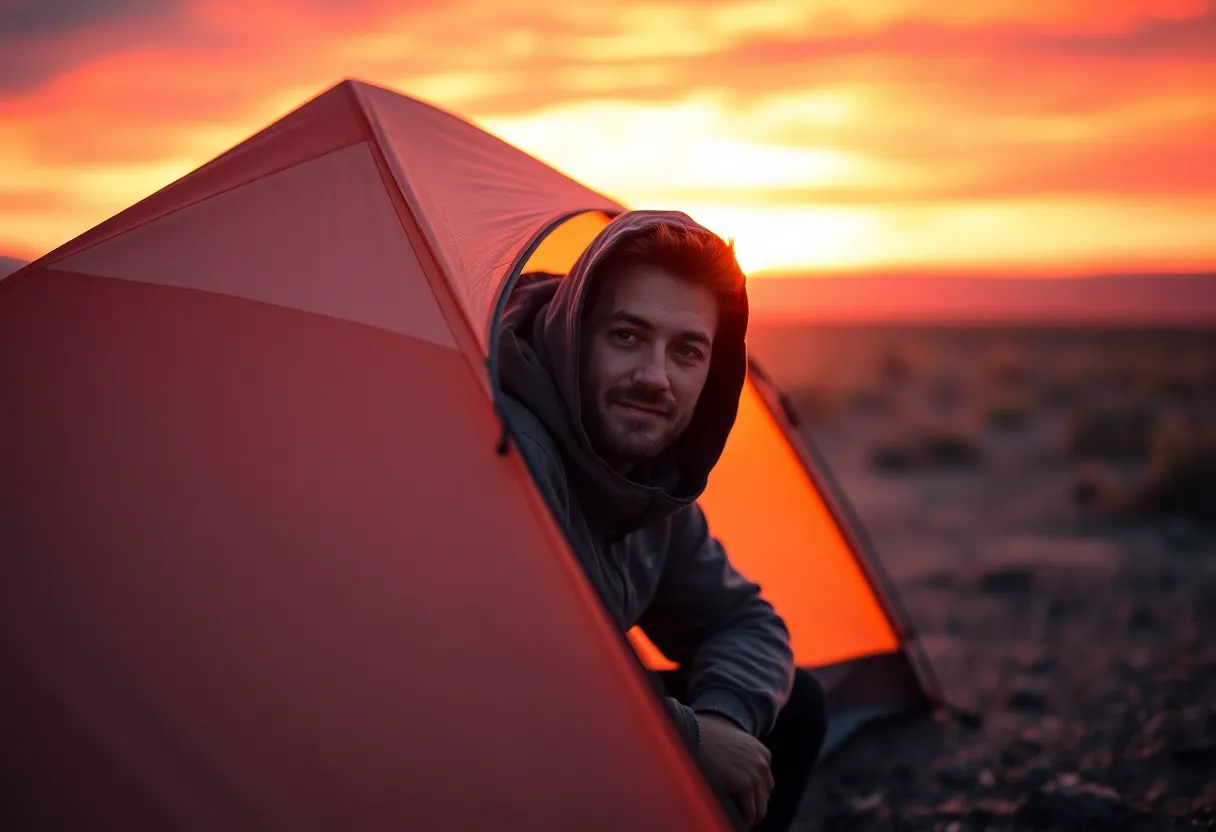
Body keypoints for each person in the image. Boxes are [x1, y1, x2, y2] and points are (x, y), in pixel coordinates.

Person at [497, 210, 828, 830]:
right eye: (626, 336)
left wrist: (723, 722)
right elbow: (503, 671)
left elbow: (744, 620)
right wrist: (685, 737)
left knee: (794, 705)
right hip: (480, 751)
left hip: (570, 724)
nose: (654, 377)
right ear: (575, 334)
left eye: (686, 351)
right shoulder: (511, 451)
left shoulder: (645, 480)